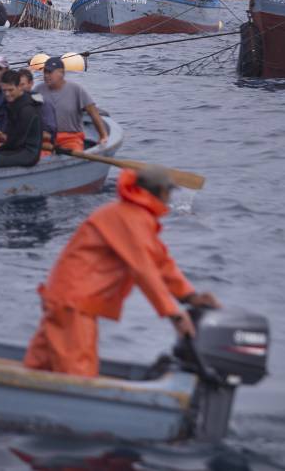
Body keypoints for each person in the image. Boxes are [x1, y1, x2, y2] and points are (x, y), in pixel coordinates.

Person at [23, 166, 220, 377]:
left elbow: (161, 263)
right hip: (74, 304)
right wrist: (174, 315)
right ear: (160, 192)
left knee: (39, 367)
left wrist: (190, 296)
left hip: (65, 299)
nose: (170, 197)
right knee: (78, 373)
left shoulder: (134, 216)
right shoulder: (129, 217)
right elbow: (143, 270)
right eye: (169, 191)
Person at [34, 57, 108, 152]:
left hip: (71, 138)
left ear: (61, 73)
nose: (46, 75)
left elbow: (93, 113)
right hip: (46, 139)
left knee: (75, 152)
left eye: (50, 72)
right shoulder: (37, 90)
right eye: (45, 72)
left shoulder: (76, 90)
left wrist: (103, 136)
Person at [0, 70, 43, 168]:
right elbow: (12, 134)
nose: (7, 94)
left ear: (19, 87)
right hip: (17, 148)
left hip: (29, 153)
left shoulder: (27, 109)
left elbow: (16, 142)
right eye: (4, 90)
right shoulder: (13, 103)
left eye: (10, 90)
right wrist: (1, 135)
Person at [18, 68, 56, 157]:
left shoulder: (43, 103)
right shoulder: (12, 103)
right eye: (17, 85)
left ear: (31, 84)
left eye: (22, 84)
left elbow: (51, 135)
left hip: (42, 145)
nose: (19, 88)